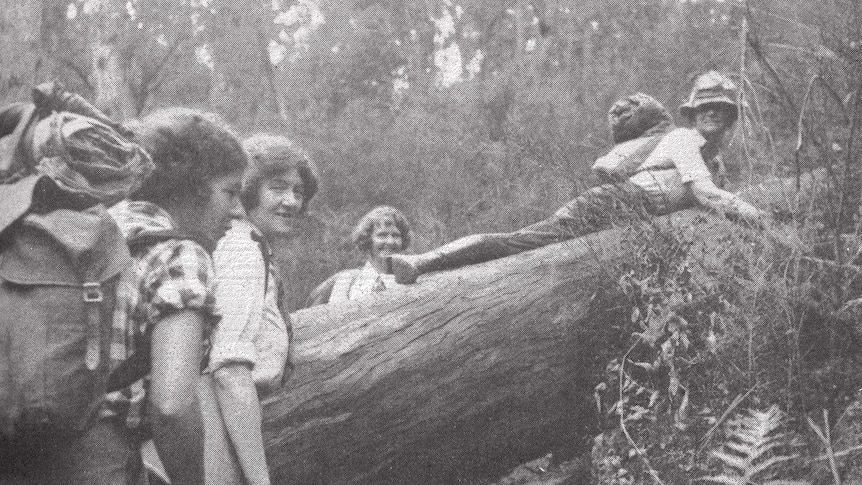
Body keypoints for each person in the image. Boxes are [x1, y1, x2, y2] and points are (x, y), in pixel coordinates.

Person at [389, 71, 767, 284]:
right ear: (692, 112)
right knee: (524, 241)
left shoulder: (716, 166)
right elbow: (705, 195)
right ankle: (424, 262)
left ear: (731, 114)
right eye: (704, 108)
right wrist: (763, 219)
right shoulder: (684, 139)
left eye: (719, 108)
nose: (711, 115)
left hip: (633, 222)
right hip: (615, 203)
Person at [106, 107, 248, 484]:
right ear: (193, 185)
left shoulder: (100, 229)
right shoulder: (179, 255)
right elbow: (171, 406)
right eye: (230, 192)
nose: (236, 211)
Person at [201, 133, 319, 485]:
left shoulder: (248, 243)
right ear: (249, 189)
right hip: (214, 426)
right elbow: (228, 371)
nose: (291, 201)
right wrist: (259, 479)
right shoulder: (242, 249)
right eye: (278, 188)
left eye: (298, 192)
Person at [305, 205, 411, 307]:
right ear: (367, 240)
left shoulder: (409, 281)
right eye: (382, 235)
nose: (390, 242)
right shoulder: (345, 281)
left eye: (396, 235)